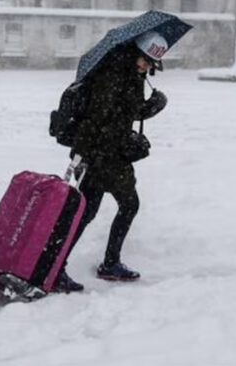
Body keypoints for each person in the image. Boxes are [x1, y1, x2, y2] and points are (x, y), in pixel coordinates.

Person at [55, 32, 169, 292]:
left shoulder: (129, 73)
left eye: (152, 64)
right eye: (146, 60)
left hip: (106, 154)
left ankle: (63, 265)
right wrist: (149, 109)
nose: (147, 67)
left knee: (91, 211)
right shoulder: (113, 74)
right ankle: (95, 264)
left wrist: (149, 106)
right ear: (135, 53)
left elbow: (124, 111)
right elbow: (104, 116)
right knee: (118, 206)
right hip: (102, 155)